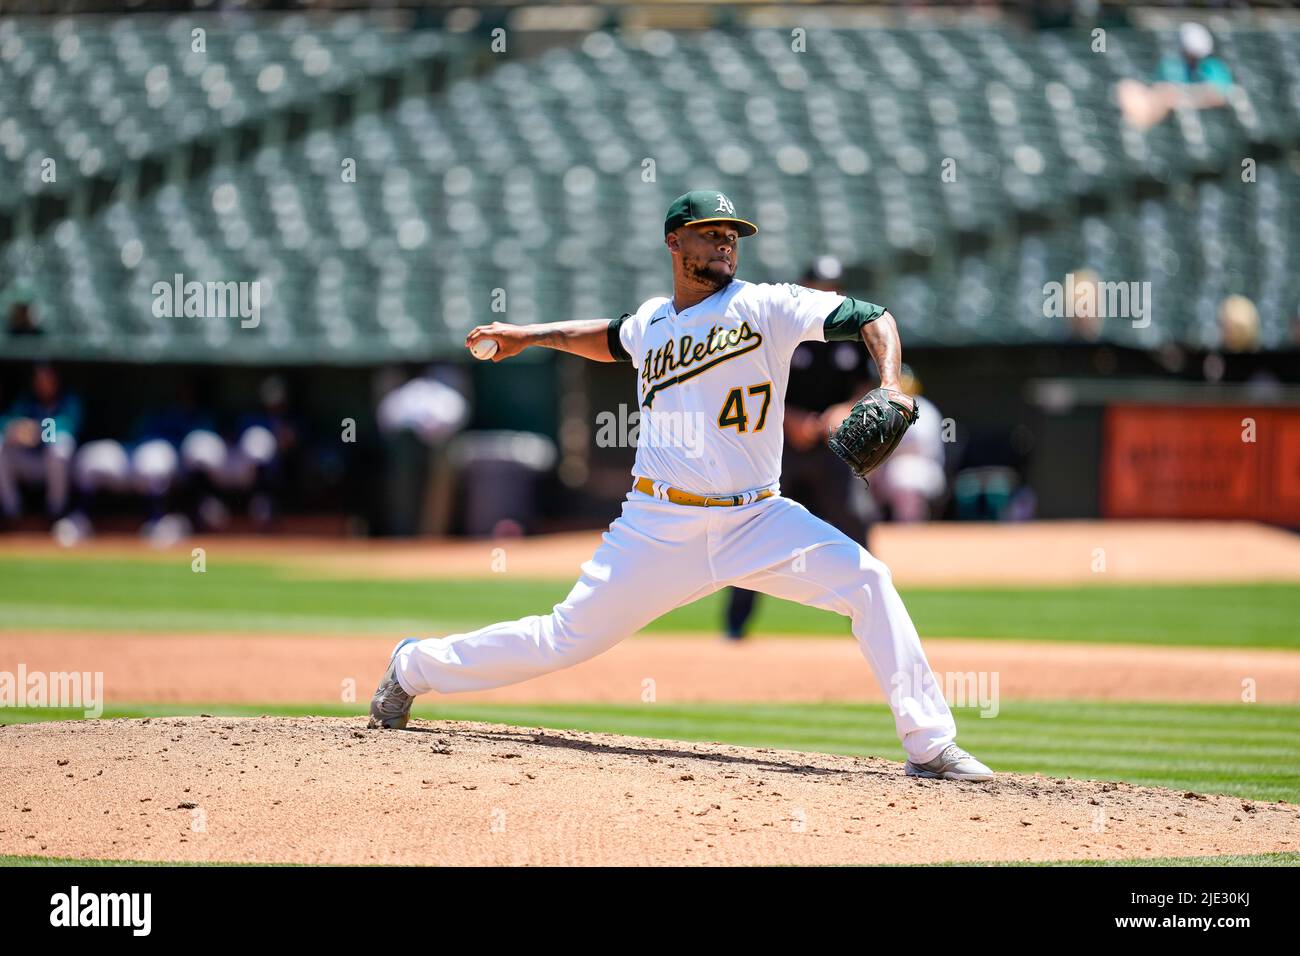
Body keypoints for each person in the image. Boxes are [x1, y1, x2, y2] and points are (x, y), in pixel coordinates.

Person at [366, 190, 993, 782]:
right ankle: (413, 665)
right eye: (710, 233)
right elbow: (607, 336)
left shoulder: (768, 304)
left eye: (732, 235)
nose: (725, 243)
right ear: (675, 242)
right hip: (658, 526)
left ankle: (930, 745)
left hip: (758, 518)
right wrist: (527, 336)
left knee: (869, 580)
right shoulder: (650, 324)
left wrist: (887, 385)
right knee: (562, 639)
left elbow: (872, 316)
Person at [722, 256, 876, 640]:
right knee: (756, 528)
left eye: (831, 288)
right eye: (818, 287)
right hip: (780, 447)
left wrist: (843, 411)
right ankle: (735, 629)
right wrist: (790, 419)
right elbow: (754, 384)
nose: (825, 295)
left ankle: (868, 618)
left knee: (855, 521)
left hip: (832, 448)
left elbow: (864, 386)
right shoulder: (781, 329)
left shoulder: (850, 333)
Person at [0, 363, 80, 528]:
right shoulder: (26, 401)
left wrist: (37, 431)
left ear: (56, 381)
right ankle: (11, 513)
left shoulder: (68, 401)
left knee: (60, 448)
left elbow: (67, 426)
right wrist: (14, 429)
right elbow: (5, 422)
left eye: (47, 379)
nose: (43, 384)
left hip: (61, 466)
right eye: (39, 380)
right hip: (30, 461)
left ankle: (56, 513)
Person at [1117, 22, 1234, 131]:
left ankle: (1137, 128)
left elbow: (1219, 95)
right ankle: (1136, 128)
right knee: (1128, 87)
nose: (1191, 57)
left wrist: (1185, 96)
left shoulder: (1212, 66)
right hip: (1168, 113)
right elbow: (1161, 90)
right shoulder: (1171, 64)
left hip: (1203, 118)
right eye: (1189, 53)